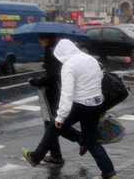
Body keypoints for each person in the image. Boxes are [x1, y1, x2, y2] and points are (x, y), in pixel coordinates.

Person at [21, 39, 117, 179]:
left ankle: (35, 157)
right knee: (90, 141)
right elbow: (101, 81)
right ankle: (109, 173)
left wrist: (61, 117)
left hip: (79, 105)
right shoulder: (92, 60)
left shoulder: (69, 65)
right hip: (96, 104)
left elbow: (67, 94)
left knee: (54, 127)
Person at [28, 33, 86, 165]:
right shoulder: (59, 51)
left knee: (52, 125)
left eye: (40, 40)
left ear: (46, 39)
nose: (39, 43)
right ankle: (57, 154)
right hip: (59, 91)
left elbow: (53, 77)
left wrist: (36, 81)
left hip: (54, 93)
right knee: (52, 124)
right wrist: (48, 67)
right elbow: (58, 70)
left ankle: (79, 140)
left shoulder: (51, 52)